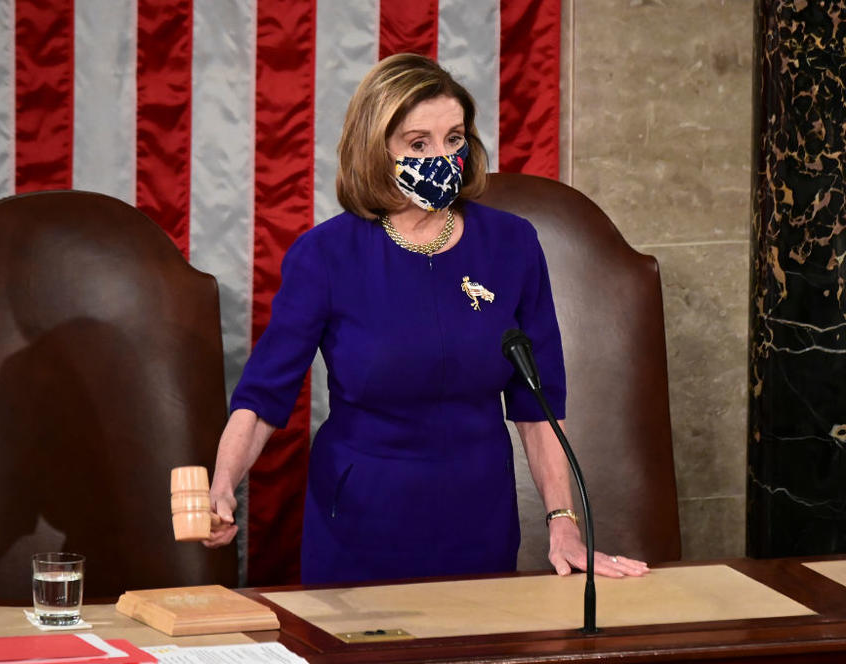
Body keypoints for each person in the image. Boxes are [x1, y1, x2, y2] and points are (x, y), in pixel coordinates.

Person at [204, 53, 648, 584]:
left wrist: (563, 523)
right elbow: (263, 398)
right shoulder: (325, 255)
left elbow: (539, 404)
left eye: (454, 139)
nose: (443, 156)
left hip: (478, 515)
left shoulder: (511, 245)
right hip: (361, 519)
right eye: (419, 144)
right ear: (377, 149)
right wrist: (223, 485)